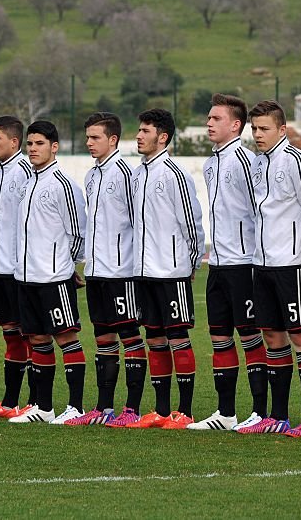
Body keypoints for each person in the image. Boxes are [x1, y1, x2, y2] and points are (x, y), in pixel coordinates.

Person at [238, 100, 301, 437]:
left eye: (264, 128)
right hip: (261, 264)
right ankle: (277, 415)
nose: (258, 134)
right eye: (254, 128)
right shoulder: (258, 163)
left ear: (281, 129)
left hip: (291, 264)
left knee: (300, 335)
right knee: (272, 337)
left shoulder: (298, 161)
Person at [188, 95, 269, 432]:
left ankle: (261, 413)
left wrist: (258, 258)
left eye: (216, 118)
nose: (209, 123)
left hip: (244, 264)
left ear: (235, 125)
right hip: (217, 264)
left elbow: (260, 211)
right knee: (220, 338)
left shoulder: (247, 162)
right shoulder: (211, 164)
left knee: (250, 337)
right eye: (208, 118)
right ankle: (226, 412)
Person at [125, 109, 205, 430]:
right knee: (154, 339)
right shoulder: (137, 174)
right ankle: (160, 411)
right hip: (143, 273)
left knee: (177, 338)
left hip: (172, 272)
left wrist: (191, 263)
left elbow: (192, 222)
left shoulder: (174, 173)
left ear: (163, 137)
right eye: (139, 130)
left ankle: (184, 412)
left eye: (145, 131)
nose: (139, 135)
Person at [67, 112, 147, 428]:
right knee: (102, 339)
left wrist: (135, 265)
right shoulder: (92, 175)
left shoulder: (127, 174)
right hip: (97, 271)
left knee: (130, 337)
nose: (89, 143)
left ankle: (132, 409)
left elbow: (138, 222)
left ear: (113, 139)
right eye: (87, 137)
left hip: (121, 271)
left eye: (95, 137)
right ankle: (103, 408)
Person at [7, 121, 88, 424]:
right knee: (37, 339)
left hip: (54, 278)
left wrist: (66, 266)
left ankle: (76, 408)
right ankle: (43, 407)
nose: (32, 149)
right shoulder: (28, 183)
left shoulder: (63, 184)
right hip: (25, 278)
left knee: (66, 338)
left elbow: (78, 232)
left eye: (39, 143)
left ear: (54, 147)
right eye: (29, 144)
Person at [0, 116, 37, 419]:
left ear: (14, 142)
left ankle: (34, 401)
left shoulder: (25, 174)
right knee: (10, 335)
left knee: (29, 336)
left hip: (19, 271)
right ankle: (10, 401)